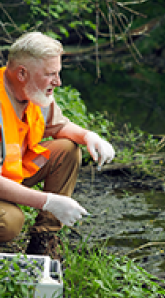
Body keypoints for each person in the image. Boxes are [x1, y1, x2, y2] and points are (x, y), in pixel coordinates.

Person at [0, 31, 115, 257]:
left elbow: (58, 126)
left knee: (68, 149)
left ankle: (43, 242)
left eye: (58, 73)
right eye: (50, 74)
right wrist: (48, 201)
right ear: (22, 73)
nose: (58, 82)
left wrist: (89, 136)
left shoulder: (33, 91)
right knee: (10, 221)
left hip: (10, 175)